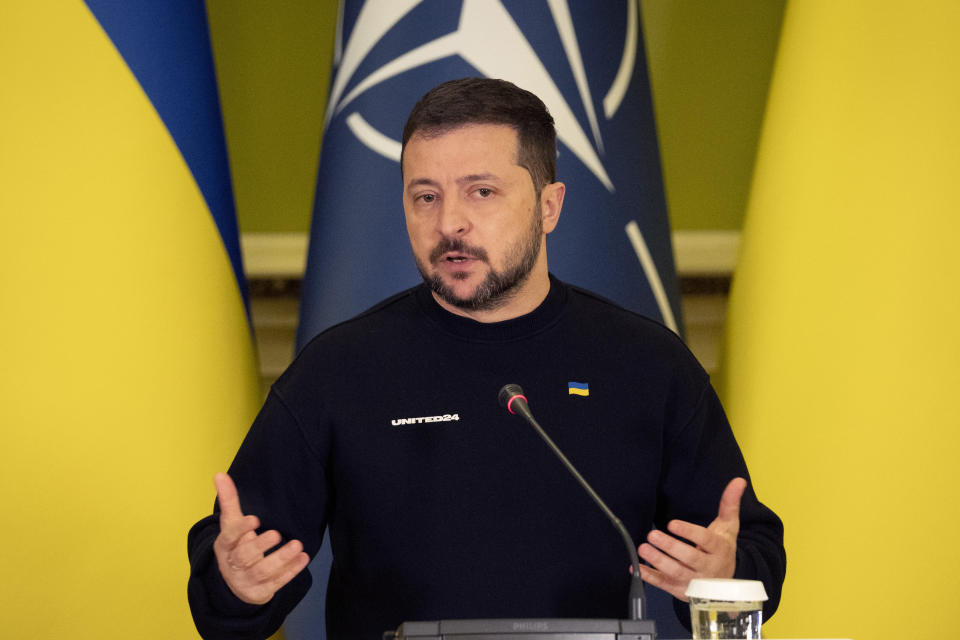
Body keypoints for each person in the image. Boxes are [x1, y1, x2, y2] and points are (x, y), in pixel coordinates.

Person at [187, 77, 785, 640]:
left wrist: (724, 574)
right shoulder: (339, 371)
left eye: (482, 192)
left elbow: (749, 553)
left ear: (549, 207)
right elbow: (233, 579)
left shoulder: (647, 365)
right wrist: (237, 585)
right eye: (425, 196)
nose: (449, 224)